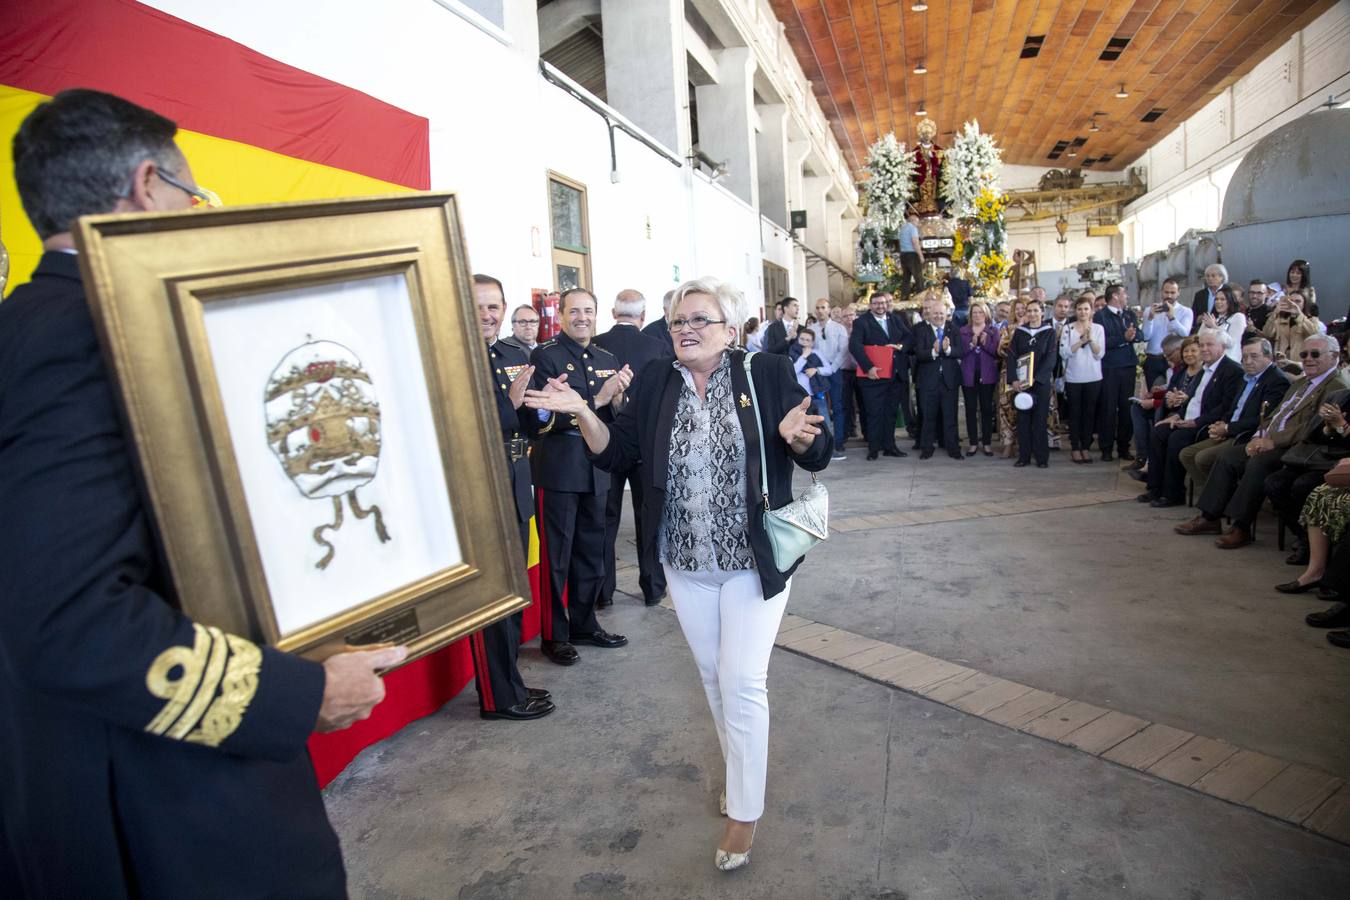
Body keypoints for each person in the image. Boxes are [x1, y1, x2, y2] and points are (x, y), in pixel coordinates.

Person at [0, 87, 403, 898]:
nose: (196, 214)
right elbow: (69, 619)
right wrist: (299, 696)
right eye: (195, 197)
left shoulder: (24, 322)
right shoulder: (89, 336)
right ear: (148, 187)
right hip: (160, 804)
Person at [524, 276, 829, 871]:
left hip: (752, 559)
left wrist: (797, 442)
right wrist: (585, 410)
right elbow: (618, 453)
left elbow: (817, 446)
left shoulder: (762, 372)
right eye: (677, 320)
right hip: (685, 561)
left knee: (743, 681)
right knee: (715, 680)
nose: (684, 329)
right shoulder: (660, 380)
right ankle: (740, 773)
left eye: (698, 319)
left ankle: (744, 812)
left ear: (730, 327)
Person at [525, 288, 632, 664]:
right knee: (557, 554)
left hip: (597, 465)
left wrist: (618, 400)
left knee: (592, 549)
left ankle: (585, 623)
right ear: (563, 315)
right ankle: (554, 636)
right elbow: (539, 415)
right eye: (575, 311)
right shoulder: (547, 355)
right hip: (559, 463)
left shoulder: (607, 357)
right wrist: (598, 401)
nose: (582, 317)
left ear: (597, 314)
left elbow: (618, 414)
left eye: (588, 310)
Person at [472, 275, 556, 720]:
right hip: (481, 487)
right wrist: (512, 404)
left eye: (494, 307)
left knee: (511, 594)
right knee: (491, 596)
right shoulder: (450, 356)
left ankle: (512, 683)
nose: (487, 315)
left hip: (516, 477)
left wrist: (540, 407)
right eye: (479, 305)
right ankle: (497, 697)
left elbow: (526, 425)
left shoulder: (510, 354)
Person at [1175, 334, 1349, 548]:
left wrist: (1272, 441)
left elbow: (1311, 427)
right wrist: (1259, 436)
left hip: (1297, 447)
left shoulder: (1337, 386)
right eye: (1304, 354)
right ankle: (1210, 518)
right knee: (1228, 457)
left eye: (1315, 354)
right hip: (1267, 437)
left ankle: (1241, 526)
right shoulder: (1303, 382)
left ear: (1334, 356)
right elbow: (1274, 414)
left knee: (1259, 463)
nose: (1308, 359)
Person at [594, 289, 670, 608]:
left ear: (613, 313)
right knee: (646, 516)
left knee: (606, 519)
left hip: (606, 441)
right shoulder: (657, 347)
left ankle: (603, 591)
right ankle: (652, 586)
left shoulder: (595, 346)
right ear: (642, 315)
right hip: (645, 443)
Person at [1140, 330, 1243, 508]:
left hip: (1206, 424)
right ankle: (1155, 487)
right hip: (1187, 418)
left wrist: (1196, 421)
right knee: (1158, 431)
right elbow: (1193, 399)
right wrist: (1177, 415)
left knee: (1176, 439)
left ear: (1222, 346)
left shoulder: (1231, 370)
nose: (1204, 349)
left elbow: (1225, 407)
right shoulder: (1205, 369)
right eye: (1202, 345)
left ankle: (1174, 493)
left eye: (1209, 345)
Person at [1177, 337, 1289, 497]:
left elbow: (1265, 419)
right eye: (1245, 357)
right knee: (1186, 454)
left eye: (1254, 356)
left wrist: (1228, 428)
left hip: (1247, 435)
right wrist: (1222, 423)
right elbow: (1234, 407)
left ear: (1268, 356)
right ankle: (1218, 496)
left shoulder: (1276, 380)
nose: (1248, 361)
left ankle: (1218, 500)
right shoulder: (1247, 377)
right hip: (1231, 429)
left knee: (1203, 457)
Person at [849, 291, 911, 460]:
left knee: (890, 413)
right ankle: (874, 449)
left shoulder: (894, 319)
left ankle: (890, 446)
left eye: (883, 303)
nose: (880, 306)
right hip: (873, 377)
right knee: (874, 413)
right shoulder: (861, 322)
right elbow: (855, 346)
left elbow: (908, 337)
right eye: (876, 303)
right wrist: (868, 367)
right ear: (870, 305)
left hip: (894, 374)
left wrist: (900, 346)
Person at [1007, 298, 1058, 468]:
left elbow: (1051, 358)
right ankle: (1024, 457)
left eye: (1036, 310)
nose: (1032, 314)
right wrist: (1014, 379)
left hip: (1040, 383)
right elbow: (1012, 356)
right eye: (1029, 311)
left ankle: (1042, 458)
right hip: (1022, 383)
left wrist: (1036, 378)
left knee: (1040, 420)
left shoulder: (1049, 332)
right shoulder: (1020, 332)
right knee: (1023, 420)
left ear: (1042, 312)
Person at [912, 291, 962, 460]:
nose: (939, 316)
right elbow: (918, 353)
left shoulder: (953, 328)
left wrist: (947, 350)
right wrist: (933, 352)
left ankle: (953, 448)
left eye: (941, 313)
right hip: (928, 382)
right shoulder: (921, 331)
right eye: (935, 314)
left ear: (946, 314)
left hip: (949, 382)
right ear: (929, 315)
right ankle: (927, 449)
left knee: (950, 417)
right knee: (928, 417)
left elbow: (960, 351)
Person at [1094, 283, 1140, 462]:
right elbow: (1101, 340)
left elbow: (1139, 333)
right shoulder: (1100, 316)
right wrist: (1124, 338)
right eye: (1124, 293)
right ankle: (1106, 448)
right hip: (1110, 367)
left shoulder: (1129, 314)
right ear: (1114, 296)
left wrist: (1133, 335)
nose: (1126, 296)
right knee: (1108, 407)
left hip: (1128, 365)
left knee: (1126, 407)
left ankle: (1123, 446)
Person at [1060, 296, 1105, 464]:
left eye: (1086, 309)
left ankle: (1086, 446)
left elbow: (1099, 354)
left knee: (1089, 413)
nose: (1083, 312)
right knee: (1075, 413)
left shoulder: (1098, 329)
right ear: (1075, 311)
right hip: (1074, 378)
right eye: (1079, 309)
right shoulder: (1068, 329)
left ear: (1091, 311)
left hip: (1093, 377)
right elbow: (1064, 352)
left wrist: (1091, 339)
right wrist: (1081, 341)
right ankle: (1075, 447)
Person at [959, 301, 999, 457]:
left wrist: (984, 343)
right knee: (970, 409)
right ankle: (973, 443)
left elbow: (996, 352)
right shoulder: (963, 331)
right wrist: (971, 344)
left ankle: (987, 443)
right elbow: (960, 352)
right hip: (968, 375)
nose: (977, 315)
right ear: (970, 315)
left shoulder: (993, 331)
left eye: (980, 312)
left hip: (987, 375)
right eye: (974, 312)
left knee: (986, 409)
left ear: (986, 314)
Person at [812, 297, 850, 460]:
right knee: (820, 407)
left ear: (829, 310)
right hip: (818, 372)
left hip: (835, 371)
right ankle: (823, 442)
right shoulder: (811, 329)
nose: (820, 310)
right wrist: (819, 369)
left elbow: (843, 351)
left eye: (823, 307)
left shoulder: (839, 328)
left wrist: (832, 368)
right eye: (818, 308)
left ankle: (838, 441)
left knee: (837, 406)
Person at [1141, 278, 1193, 387]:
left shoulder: (1186, 311)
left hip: (1175, 359)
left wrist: (1172, 317)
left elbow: (1185, 334)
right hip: (1153, 359)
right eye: (1166, 292)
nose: (1169, 295)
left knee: (1173, 391)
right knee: (1154, 394)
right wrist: (1150, 318)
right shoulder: (1149, 310)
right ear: (1161, 292)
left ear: (1178, 293)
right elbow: (1145, 337)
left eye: (1172, 292)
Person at [996, 297, 1028, 458]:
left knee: (1027, 408)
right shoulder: (1007, 328)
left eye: (1025, 308)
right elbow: (1001, 350)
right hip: (1008, 372)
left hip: (1029, 374)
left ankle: (1025, 444)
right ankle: (1008, 444)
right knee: (1007, 408)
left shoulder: (1037, 328)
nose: (1021, 311)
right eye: (1018, 308)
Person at [1263, 289, 1319, 362]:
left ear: (1304, 303)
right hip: (1281, 361)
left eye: (1298, 301)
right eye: (1291, 301)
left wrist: (1299, 314)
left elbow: (1314, 334)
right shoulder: (1280, 319)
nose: (1293, 304)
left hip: (1300, 362)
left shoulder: (1311, 319)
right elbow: (1267, 334)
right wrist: (1274, 314)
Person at [1199, 285, 1247, 362]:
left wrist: (1214, 326)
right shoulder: (1211, 318)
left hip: (1229, 361)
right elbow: (1199, 339)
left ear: (1230, 301)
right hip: (1210, 361)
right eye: (1216, 299)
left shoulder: (1238, 317)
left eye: (1222, 299)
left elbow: (1231, 343)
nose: (1218, 302)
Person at [1191, 263, 1229, 327]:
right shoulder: (1199, 295)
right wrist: (1197, 319)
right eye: (1207, 276)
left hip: (1222, 328)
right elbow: (1193, 315)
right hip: (1202, 329)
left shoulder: (1228, 292)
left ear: (1221, 277)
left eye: (1213, 276)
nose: (1210, 278)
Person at [898, 211, 924, 299]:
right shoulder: (912, 228)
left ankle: (904, 297)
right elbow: (915, 242)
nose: (918, 224)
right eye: (917, 222)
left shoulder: (902, 229)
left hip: (903, 255)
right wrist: (921, 255)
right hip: (912, 255)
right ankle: (920, 297)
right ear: (913, 221)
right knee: (918, 278)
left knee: (906, 278)